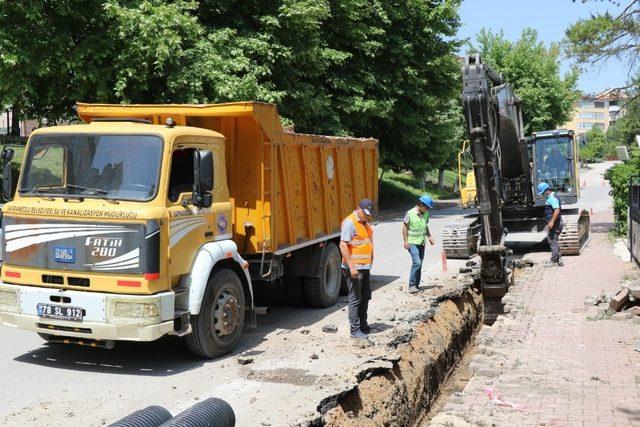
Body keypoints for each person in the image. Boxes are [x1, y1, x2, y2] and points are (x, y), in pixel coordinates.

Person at [339, 199, 374, 340]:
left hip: (364, 267)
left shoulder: (364, 222)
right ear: (358, 208)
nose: (367, 216)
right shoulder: (350, 222)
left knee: (365, 296)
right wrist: (352, 267)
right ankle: (354, 330)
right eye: (365, 213)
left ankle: (363, 325)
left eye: (369, 214)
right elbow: (343, 245)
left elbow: (367, 241)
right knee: (355, 299)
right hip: (355, 268)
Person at [402, 194, 435, 293]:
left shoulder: (426, 214)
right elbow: (404, 228)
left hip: (421, 242)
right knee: (417, 262)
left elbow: (425, 226)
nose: (427, 209)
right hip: (412, 242)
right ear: (421, 205)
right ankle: (412, 285)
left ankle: (416, 285)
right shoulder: (410, 213)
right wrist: (405, 241)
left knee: (420, 264)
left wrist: (429, 236)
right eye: (427, 207)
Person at [538, 182, 564, 267]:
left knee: (552, 241)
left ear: (547, 190)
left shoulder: (552, 198)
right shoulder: (553, 196)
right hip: (556, 223)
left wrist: (552, 221)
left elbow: (556, 210)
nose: (543, 194)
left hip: (555, 223)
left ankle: (553, 261)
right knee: (554, 241)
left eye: (543, 192)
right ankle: (559, 260)